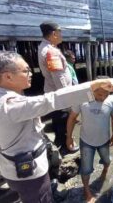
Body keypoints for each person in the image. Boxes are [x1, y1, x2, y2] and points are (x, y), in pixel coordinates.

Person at [0, 51, 113, 203]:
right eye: (26, 70)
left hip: (18, 166)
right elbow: (51, 100)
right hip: (30, 174)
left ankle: (51, 192)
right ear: (8, 76)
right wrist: (93, 86)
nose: (31, 73)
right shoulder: (10, 105)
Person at [66, 85, 113, 203]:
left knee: (107, 161)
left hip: (104, 140)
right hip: (86, 141)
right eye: (100, 94)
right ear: (92, 90)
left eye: (106, 94)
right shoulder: (82, 99)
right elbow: (72, 118)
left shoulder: (111, 100)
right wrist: (69, 137)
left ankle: (105, 171)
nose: (103, 97)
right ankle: (87, 190)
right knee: (86, 168)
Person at [37, 21, 75, 154]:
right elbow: (59, 78)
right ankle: (66, 146)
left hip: (52, 92)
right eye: (60, 32)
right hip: (59, 95)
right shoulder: (51, 52)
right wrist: (68, 98)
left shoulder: (43, 47)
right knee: (63, 120)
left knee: (57, 120)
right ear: (54, 34)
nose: (61, 35)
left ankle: (60, 142)